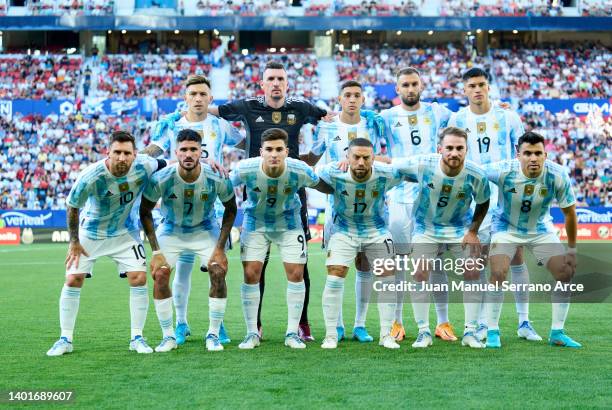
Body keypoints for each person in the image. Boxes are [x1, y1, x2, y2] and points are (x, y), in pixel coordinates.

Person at [211, 61, 331, 341]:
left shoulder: (300, 107)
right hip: (256, 190)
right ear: (262, 84)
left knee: (299, 266)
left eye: (280, 79)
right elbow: (213, 113)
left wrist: (311, 157)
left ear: (286, 83)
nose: (276, 83)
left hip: (292, 192)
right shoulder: (247, 106)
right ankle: (257, 326)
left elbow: (328, 120)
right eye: (271, 79)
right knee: (255, 265)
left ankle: (302, 324)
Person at [46, 131, 167, 356]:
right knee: (73, 279)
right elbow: (72, 206)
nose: (122, 158)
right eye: (117, 153)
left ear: (134, 154)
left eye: (127, 153)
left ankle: (137, 337)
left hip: (125, 232)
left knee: (139, 278)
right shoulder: (91, 176)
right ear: (108, 153)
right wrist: (73, 241)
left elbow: (168, 162)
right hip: (91, 233)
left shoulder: (144, 165)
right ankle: (65, 338)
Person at [142, 74, 242, 346]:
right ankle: (181, 323)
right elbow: (155, 149)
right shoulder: (172, 125)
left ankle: (216, 327)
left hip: (211, 201)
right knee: (181, 270)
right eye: (193, 94)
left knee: (216, 268)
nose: (198, 99)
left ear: (210, 98)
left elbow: (244, 142)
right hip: (178, 204)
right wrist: (138, 161)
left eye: (202, 94)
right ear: (185, 98)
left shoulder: (220, 125)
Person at [449, 67, 539, 342]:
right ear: (464, 90)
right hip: (473, 198)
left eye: (481, 84)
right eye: (472, 86)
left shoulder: (508, 116)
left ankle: (524, 322)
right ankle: (476, 326)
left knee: (516, 257)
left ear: (489, 86)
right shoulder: (457, 118)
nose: (477, 89)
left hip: (506, 197)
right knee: (474, 262)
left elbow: (522, 154)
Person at [229, 128, 332, 350]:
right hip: (255, 223)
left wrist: (345, 179)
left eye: (278, 149)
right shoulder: (245, 169)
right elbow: (224, 186)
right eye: (269, 149)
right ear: (261, 151)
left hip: (289, 224)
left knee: (296, 273)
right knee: (250, 274)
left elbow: (322, 185)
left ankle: (292, 333)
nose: (273, 154)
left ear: (287, 151)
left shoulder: (299, 169)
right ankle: (251, 333)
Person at [301, 80, 386, 343]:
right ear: (339, 98)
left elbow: (383, 158)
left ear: (363, 99)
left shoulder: (372, 124)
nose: (351, 99)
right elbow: (313, 158)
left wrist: (354, 162)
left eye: (356, 95)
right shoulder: (327, 126)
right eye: (347, 95)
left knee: (365, 265)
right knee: (336, 267)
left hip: (371, 205)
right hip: (338, 208)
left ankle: (360, 325)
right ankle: (335, 326)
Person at [392, 127, 490, 348]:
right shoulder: (424, 163)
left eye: (459, 148)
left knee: (473, 269)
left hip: (459, 228)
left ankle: (470, 332)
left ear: (466, 150)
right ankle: (424, 331)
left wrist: (473, 231)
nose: (454, 153)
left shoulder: (476, 174)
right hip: (425, 228)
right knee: (419, 271)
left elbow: (483, 202)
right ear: (440, 149)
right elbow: (392, 164)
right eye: (449, 148)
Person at [483, 131, 580, 348]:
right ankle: (491, 331)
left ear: (546, 154)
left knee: (565, 272)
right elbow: (475, 174)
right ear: (518, 155)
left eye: (538, 153)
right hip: (505, 227)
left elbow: (570, 214)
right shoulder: (503, 170)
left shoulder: (557, 174)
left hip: (540, 229)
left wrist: (572, 251)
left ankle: (557, 332)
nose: (533, 158)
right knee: (498, 271)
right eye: (528, 153)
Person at [378, 67, 453, 342]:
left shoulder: (437, 112)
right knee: (398, 262)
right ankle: (397, 322)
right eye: (405, 85)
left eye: (414, 84)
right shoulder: (385, 117)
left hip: (431, 195)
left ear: (422, 86)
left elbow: (466, 119)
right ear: (397, 90)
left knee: (436, 263)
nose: (410, 89)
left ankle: (443, 323)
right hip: (399, 196)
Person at [316, 138, 403, 350]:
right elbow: (312, 177)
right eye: (356, 157)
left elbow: (409, 171)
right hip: (344, 231)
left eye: (366, 157)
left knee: (387, 277)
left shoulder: (386, 173)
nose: (361, 162)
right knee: (335, 275)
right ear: (347, 157)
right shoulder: (333, 171)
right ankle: (330, 335)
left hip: (377, 231)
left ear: (374, 158)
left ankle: (386, 334)